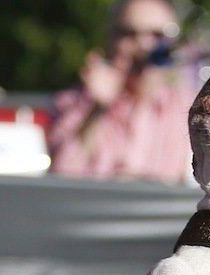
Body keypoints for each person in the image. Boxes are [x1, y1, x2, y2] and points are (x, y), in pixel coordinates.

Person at [48, 0, 198, 183]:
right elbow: (62, 177)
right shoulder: (75, 101)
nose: (144, 45)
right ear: (111, 39)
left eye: (158, 35)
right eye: (130, 34)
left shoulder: (188, 108)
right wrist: (97, 110)